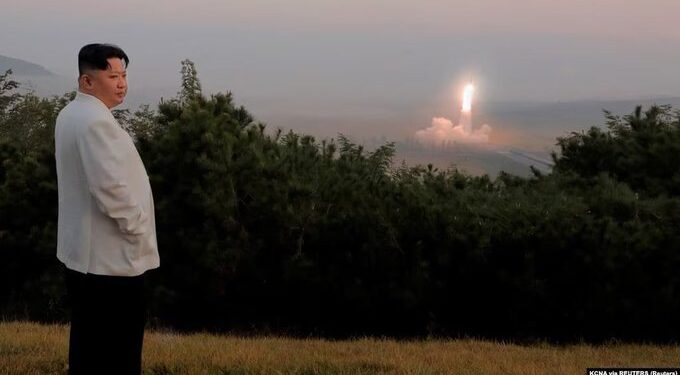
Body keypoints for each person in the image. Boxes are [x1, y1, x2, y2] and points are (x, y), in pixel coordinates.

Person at [54, 43, 160, 375]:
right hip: (109, 259)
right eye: (112, 75)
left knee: (89, 343)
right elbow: (110, 188)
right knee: (119, 349)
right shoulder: (94, 122)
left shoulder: (72, 114)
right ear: (86, 81)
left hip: (86, 256)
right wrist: (138, 228)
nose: (121, 83)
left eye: (124, 75)